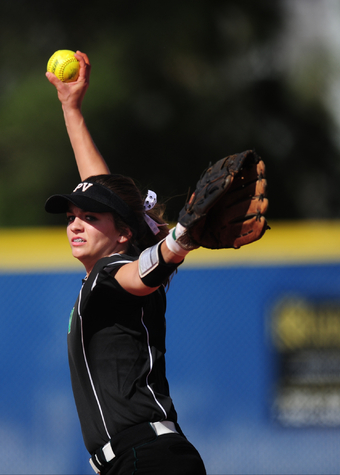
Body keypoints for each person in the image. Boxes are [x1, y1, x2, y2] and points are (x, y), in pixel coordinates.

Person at [45, 51, 207, 475]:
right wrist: (71, 108)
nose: (76, 225)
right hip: (147, 460)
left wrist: (181, 239)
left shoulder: (111, 272)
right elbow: (103, 194)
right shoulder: (118, 255)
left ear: (121, 234)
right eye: (71, 218)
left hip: (145, 461)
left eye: (89, 219)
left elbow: (140, 275)